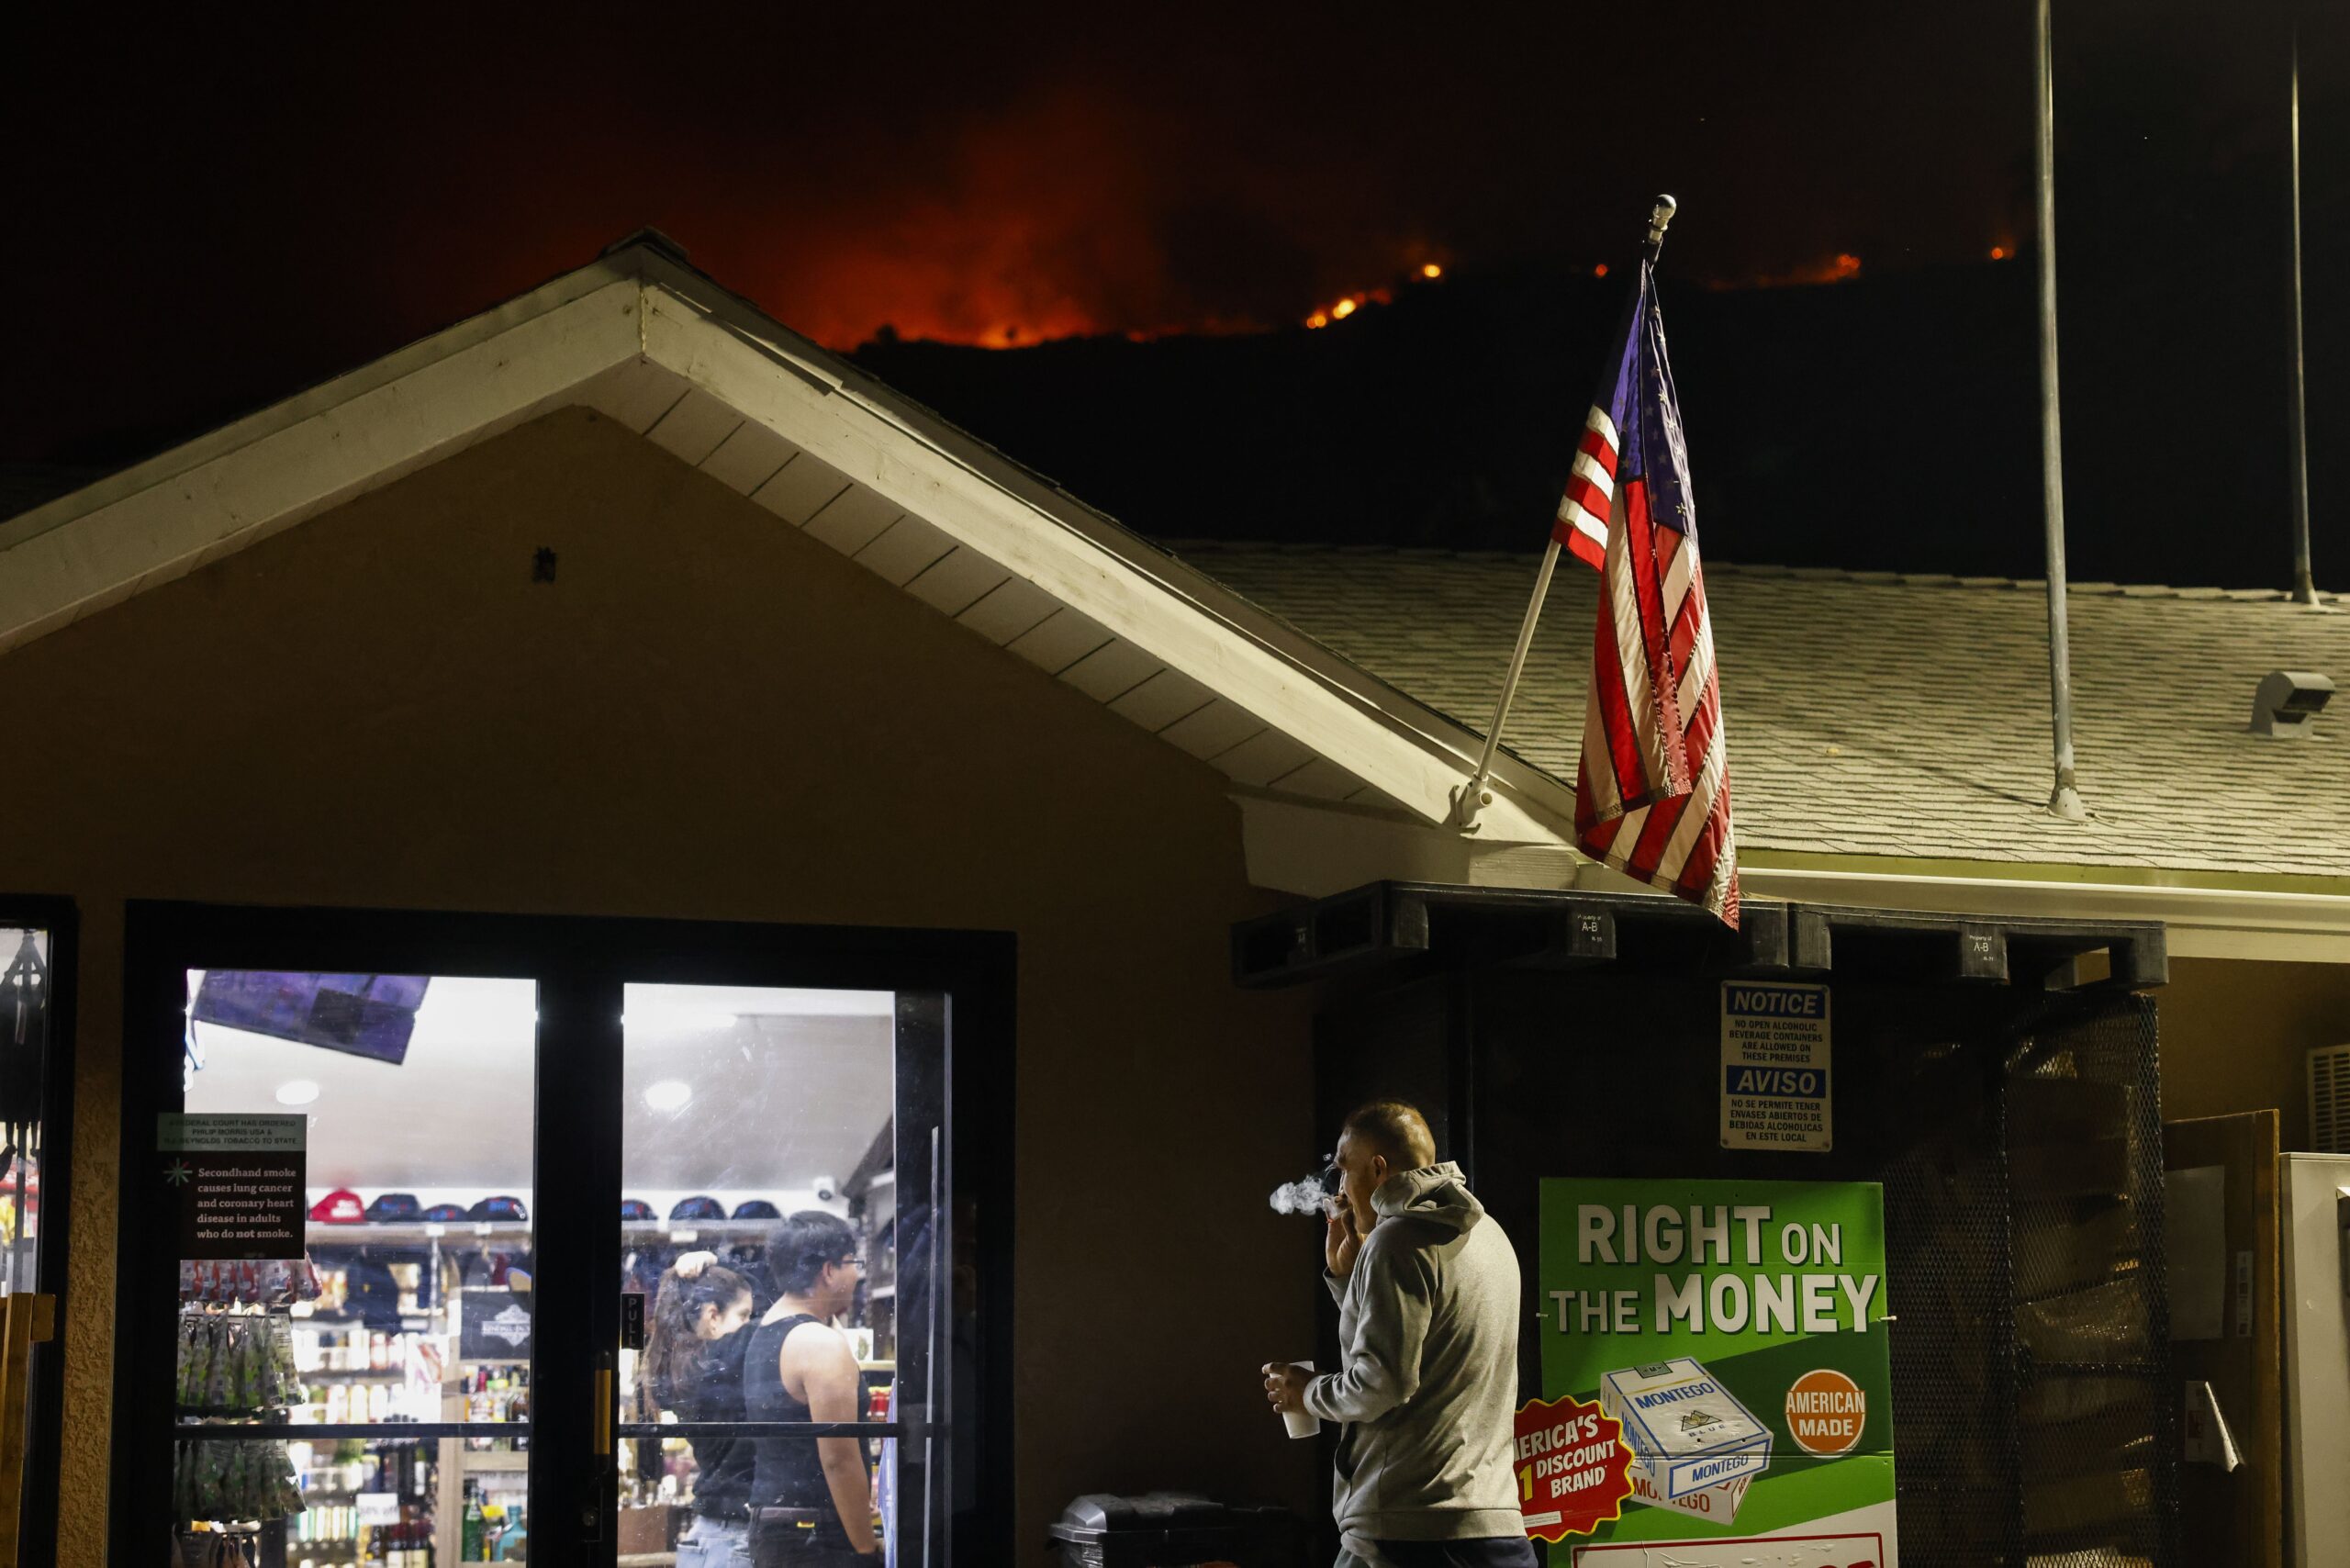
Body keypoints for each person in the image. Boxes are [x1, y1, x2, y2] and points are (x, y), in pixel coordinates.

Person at [1263, 1100, 1531, 1568]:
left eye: (1345, 1171)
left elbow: (1381, 1381)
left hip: (1407, 1532)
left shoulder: (1397, 1241)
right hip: (1495, 1529)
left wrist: (1307, 1394)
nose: (1341, 1190)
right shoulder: (1489, 1234)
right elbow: (1430, 1350)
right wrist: (1350, 1279)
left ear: (1379, 1168)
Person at [744, 1211, 879, 1567]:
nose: (858, 1274)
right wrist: (866, 1549)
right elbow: (838, 1458)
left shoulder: (768, 1328)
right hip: (815, 1536)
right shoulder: (818, 1342)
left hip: (780, 1529)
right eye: (853, 1262)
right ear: (829, 1271)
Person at [645, 1254, 760, 1568]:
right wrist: (724, 1263)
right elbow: (785, 1308)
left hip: (710, 1534)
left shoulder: (681, 1365)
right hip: (735, 1537)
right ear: (713, 1316)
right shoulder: (728, 1355)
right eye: (744, 1314)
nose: (750, 1324)